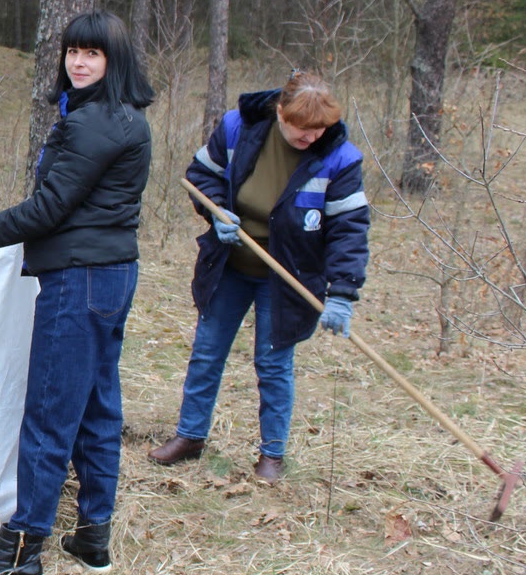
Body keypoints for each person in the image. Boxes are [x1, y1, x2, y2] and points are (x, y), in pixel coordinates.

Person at [0, 10, 153, 575]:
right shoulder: (118, 117)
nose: (78, 62)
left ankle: (22, 548)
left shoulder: (94, 122)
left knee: (51, 411)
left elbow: (48, 209)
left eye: (92, 54)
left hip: (79, 279)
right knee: (98, 408)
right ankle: (93, 534)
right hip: (111, 274)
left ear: (113, 60)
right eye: (72, 52)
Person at [148, 71, 369, 481]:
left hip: (289, 276)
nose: (310, 140)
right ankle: (190, 435)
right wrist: (217, 213)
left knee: (273, 364)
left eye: (319, 132)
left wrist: (343, 292)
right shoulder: (239, 128)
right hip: (230, 264)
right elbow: (202, 175)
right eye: (301, 132)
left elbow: (349, 229)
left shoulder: (340, 157)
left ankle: (272, 455)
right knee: (206, 353)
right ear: (279, 112)